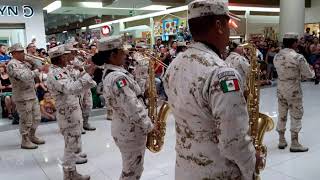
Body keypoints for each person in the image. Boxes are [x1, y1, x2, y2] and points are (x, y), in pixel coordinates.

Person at [163, 0, 257, 179]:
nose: (230, 32)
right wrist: (252, 164)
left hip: (184, 169)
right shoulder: (223, 73)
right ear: (219, 25)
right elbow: (233, 142)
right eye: (229, 25)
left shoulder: (174, 65)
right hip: (218, 172)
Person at [92, 36, 154, 180]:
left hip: (126, 127)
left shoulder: (114, 73)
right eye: (122, 52)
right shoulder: (118, 78)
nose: (126, 54)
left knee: (133, 169)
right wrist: (150, 127)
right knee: (131, 172)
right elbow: (133, 108)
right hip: (129, 131)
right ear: (113, 55)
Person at [47, 45, 96, 180]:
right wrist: (87, 75)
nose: (69, 57)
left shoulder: (62, 70)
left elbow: (76, 84)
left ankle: (72, 171)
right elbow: (70, 88)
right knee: (70, 144)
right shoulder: (55, 74)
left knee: (73, 140)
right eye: (66, 55)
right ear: (61, 57)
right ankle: (69, 174)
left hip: (72, 109)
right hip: (67, 113)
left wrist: (86, 75)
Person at [274, 32, 315, 152]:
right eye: (297, 41)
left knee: (282, 114)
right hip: (293, 90)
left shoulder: (277, 56)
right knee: (296, 114)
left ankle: (281, 140)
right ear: (294, 43)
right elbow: (308, 74)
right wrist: (312, 72)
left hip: (281, 88)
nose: (298, 43)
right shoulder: (298, 57)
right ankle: (295, 142)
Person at [7, 43, 45, 149]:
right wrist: (38, 70)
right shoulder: (12, 64)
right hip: (22, 96)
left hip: (32, 94)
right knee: (26, 119)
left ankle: (32, 136)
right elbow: (25, 77)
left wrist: (33, 61)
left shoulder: (23, 63)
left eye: (22, 51)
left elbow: (38, 67)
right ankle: (25, 140)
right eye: (20, 52)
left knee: (37, 117)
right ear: (13, 53)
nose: (23, 54)